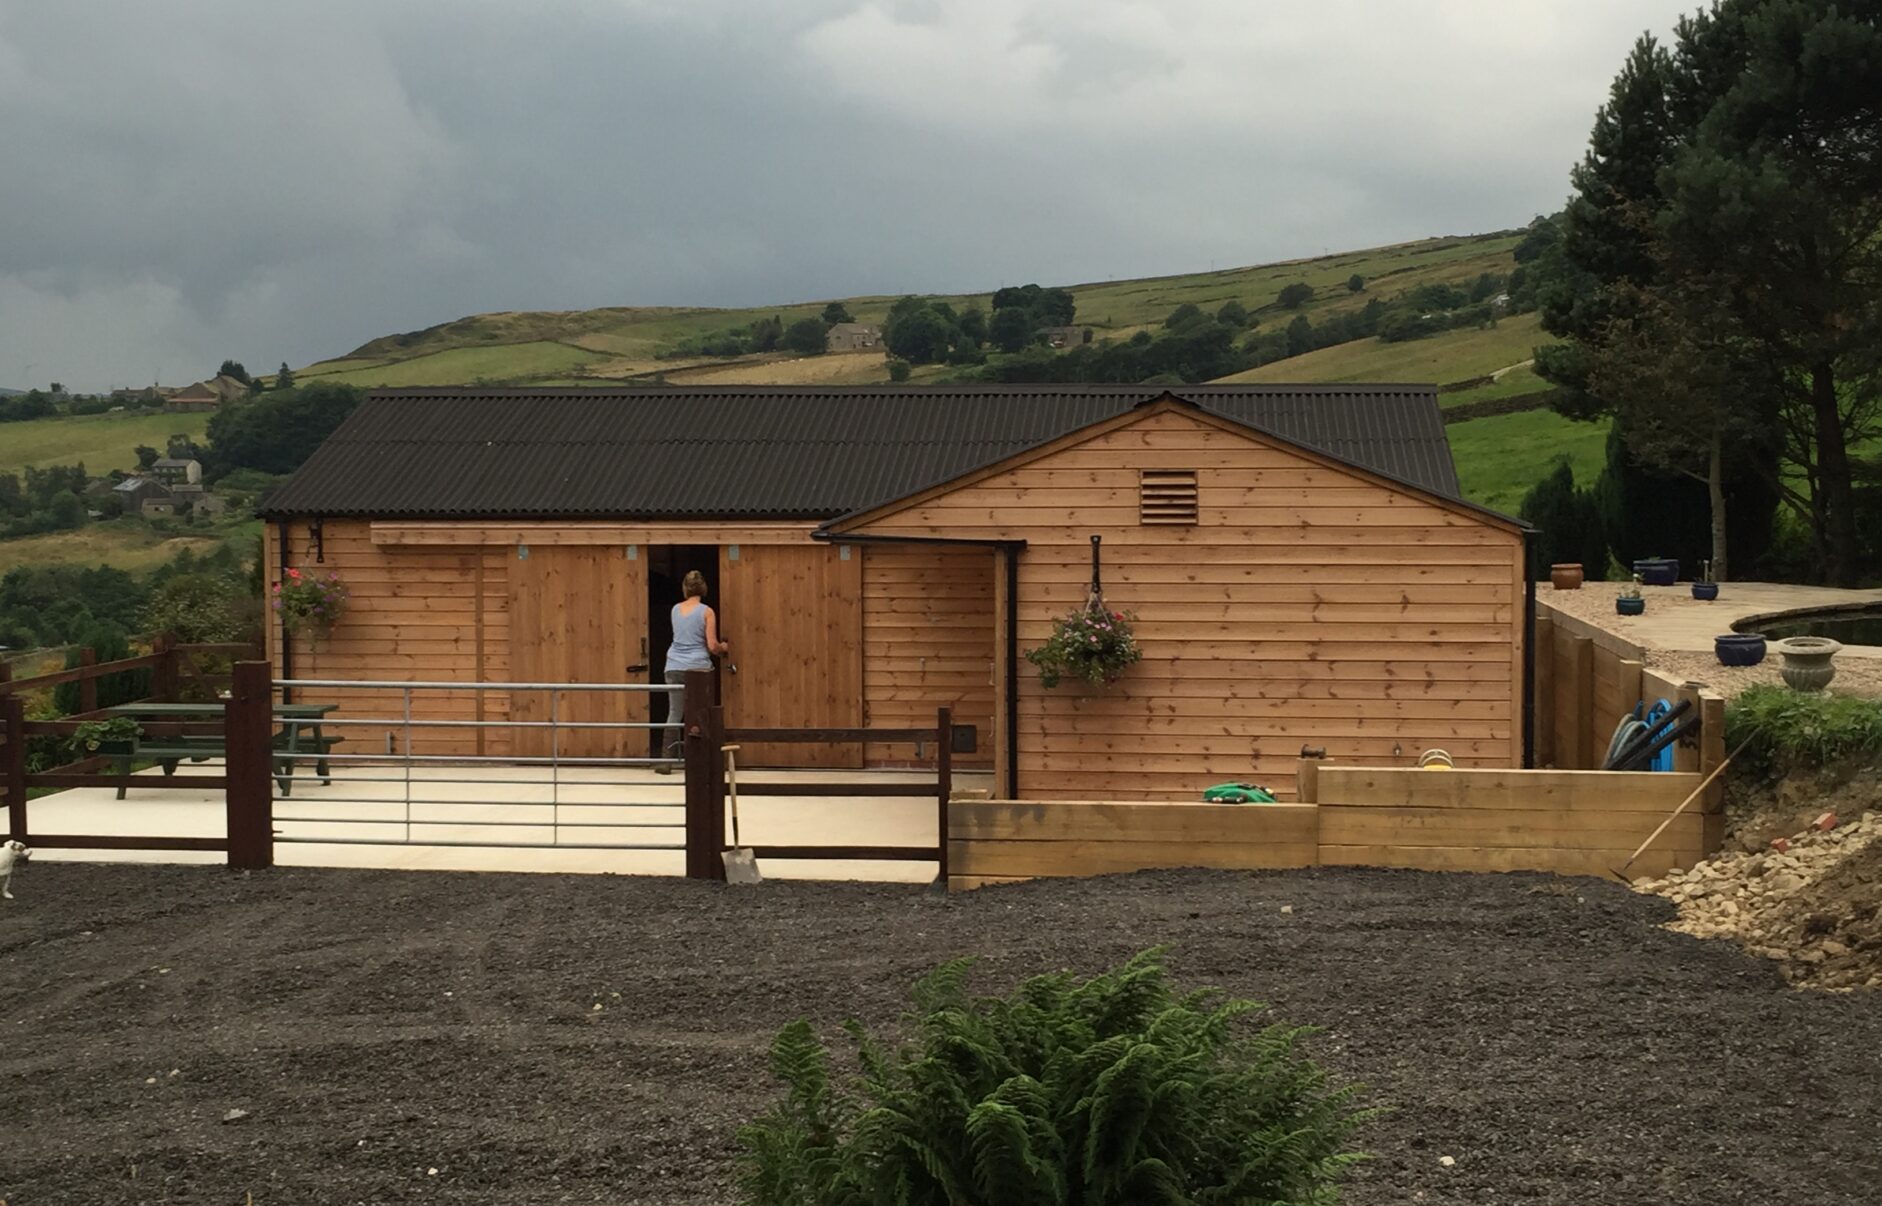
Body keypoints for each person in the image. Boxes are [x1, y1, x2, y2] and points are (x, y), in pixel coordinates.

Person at [657, 570, 729, 771]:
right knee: (701, 712)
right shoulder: (707, 611)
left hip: (673, 665)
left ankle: (666, 760)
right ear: (703, 588)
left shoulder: (675, 610)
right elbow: (712, 645)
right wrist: (725, 648)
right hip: (697, 666)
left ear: (684, 588)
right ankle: (701, 760)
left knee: (674, 712)